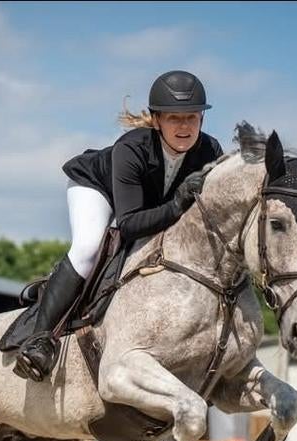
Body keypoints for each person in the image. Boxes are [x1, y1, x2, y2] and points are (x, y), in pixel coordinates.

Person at [13, 69, 224, 382]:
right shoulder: (132, 147)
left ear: (201, 121)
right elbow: (128, 224)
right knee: (88, 248)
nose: (184, 127)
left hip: (151, 205)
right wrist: (178, 204)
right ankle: (40, 341)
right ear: (156, 120)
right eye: (174, 118)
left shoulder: (210, 152)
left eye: (191, 118)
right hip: (98, 189)